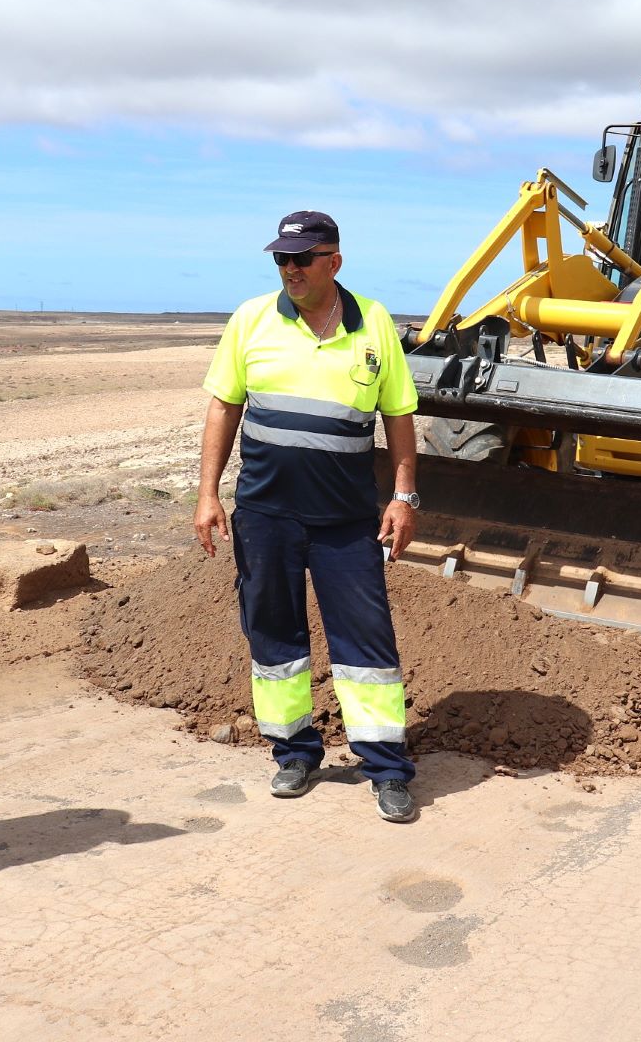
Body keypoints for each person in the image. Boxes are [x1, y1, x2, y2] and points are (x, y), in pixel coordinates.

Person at [195, 210, 421, 823]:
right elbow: (224, 407)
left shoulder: (374, 323)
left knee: (366, 642)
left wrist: (403, 497)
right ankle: (294, 753)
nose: (289, 269)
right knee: (273, 636)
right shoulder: (251, 320)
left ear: (334, 262)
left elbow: (399, 416)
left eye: (301, 258)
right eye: (281, 260)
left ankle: (387, 768)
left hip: (346, 521)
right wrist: (208, 493)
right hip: (266, 514)